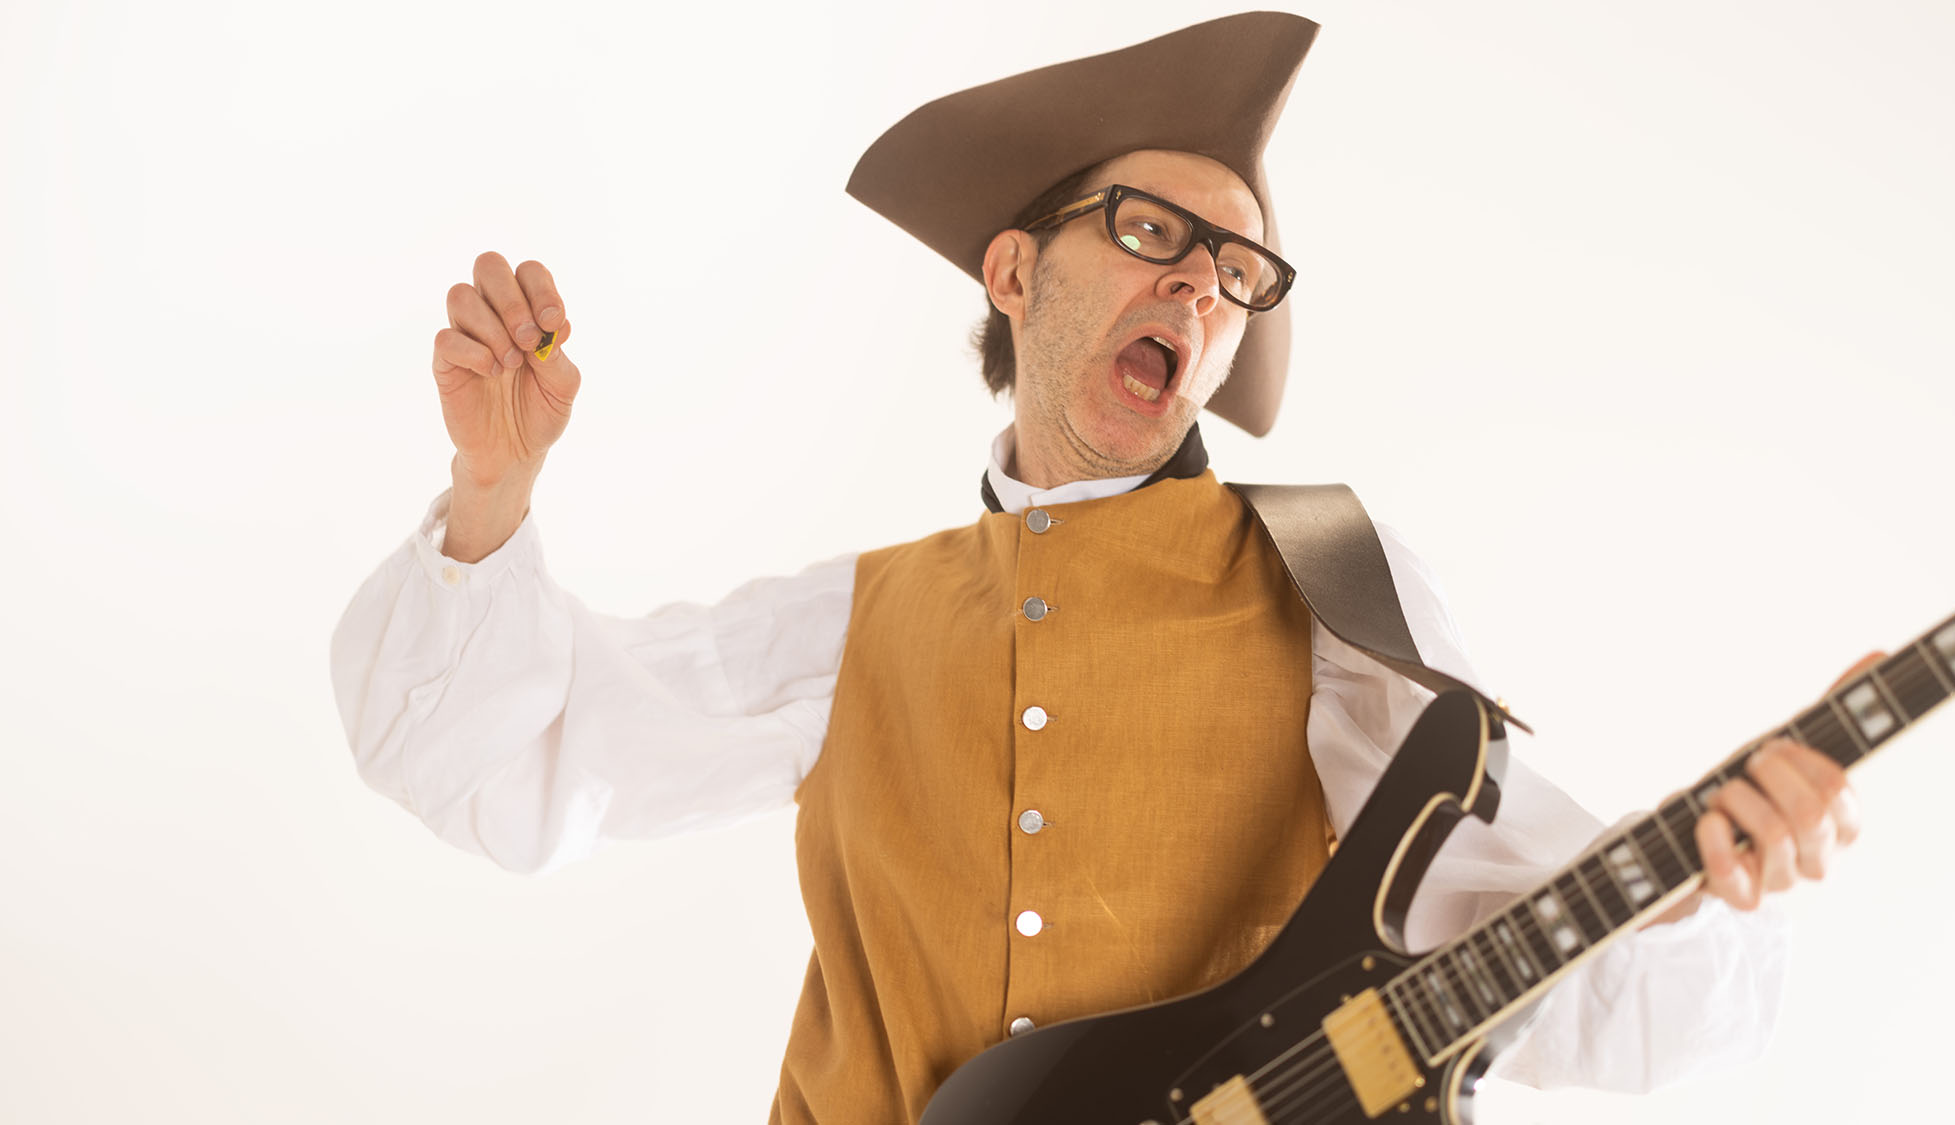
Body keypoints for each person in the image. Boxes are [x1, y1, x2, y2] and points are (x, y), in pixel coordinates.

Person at [330, 12, 1867, 1123]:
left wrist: (1718, 879)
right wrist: (492, 489)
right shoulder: (848, 625)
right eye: (1156, 234)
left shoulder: (1329, 584)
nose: (1201, 289)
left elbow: (1528, 956)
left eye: (1236, 275)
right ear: (1016, 270)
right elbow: (504, 766)